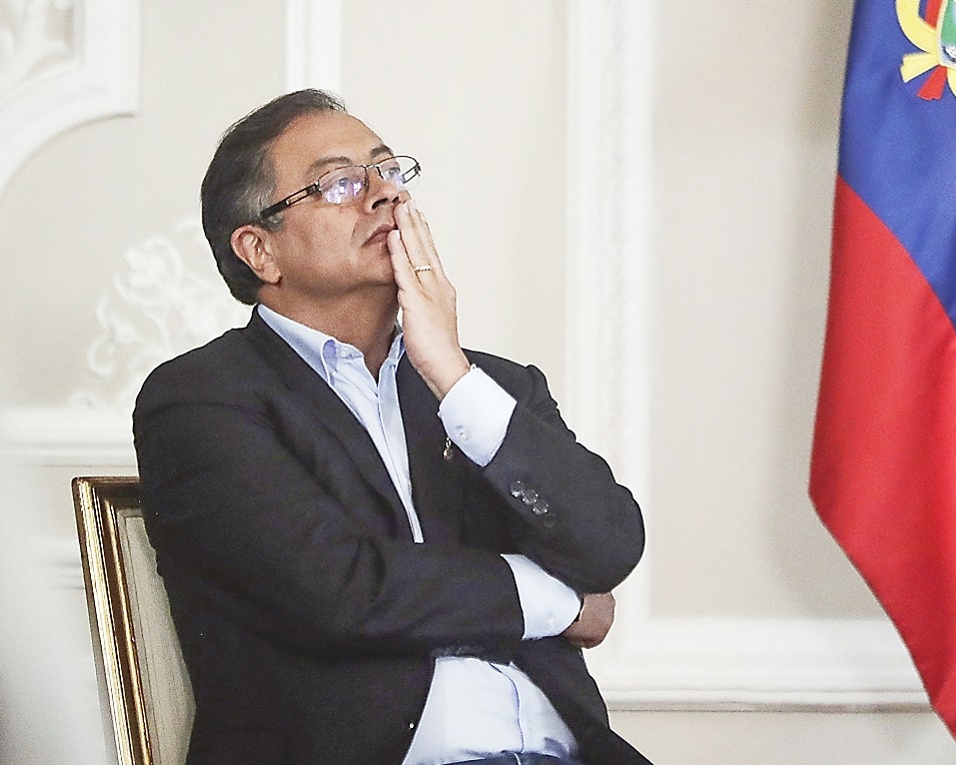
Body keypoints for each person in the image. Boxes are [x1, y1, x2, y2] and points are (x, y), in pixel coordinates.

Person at [132, 89, 649, 765]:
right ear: (260, 251)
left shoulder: (492, 387)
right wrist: (558, 600)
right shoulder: (202, 399)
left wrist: (453, 377)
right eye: (341, 182)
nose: (384, 194)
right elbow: (338, 591)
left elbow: (610, 544)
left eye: (388, 170)